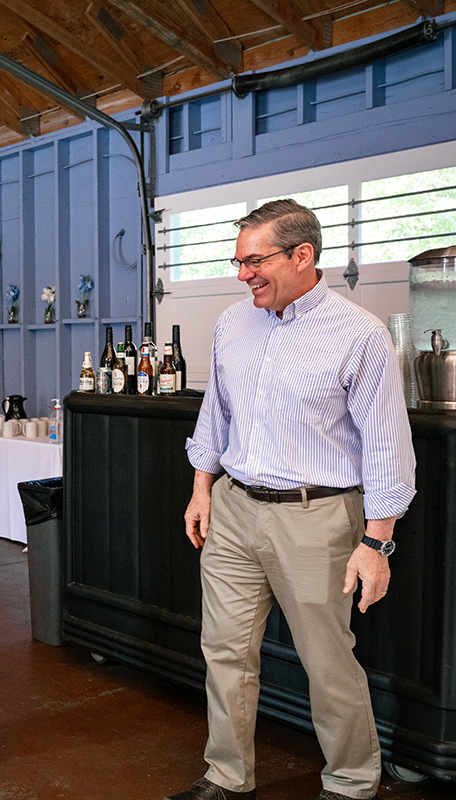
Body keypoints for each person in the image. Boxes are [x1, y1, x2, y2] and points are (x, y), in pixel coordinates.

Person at [172, 200, 416, 800]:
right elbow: (216, 415)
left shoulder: (359, 334)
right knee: (224, 651)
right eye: (238, 262)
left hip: (319, 517)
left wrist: (376, 542)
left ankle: (353, 781)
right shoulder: (233, 324)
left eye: (254, 261)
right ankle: (227, 776)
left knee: (328, 660)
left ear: (302, 256)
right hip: (232, 509)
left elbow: (388, 447)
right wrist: (202, 488)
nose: (242, 274)